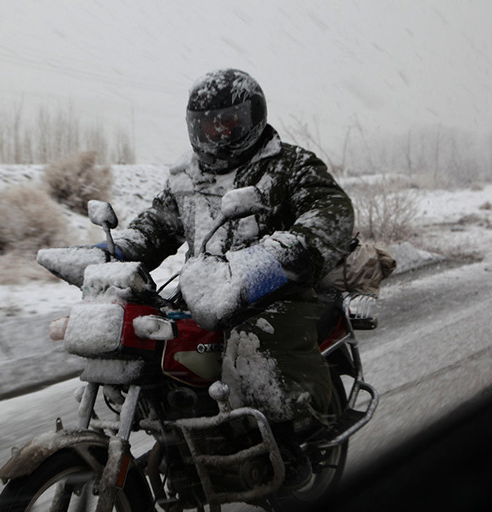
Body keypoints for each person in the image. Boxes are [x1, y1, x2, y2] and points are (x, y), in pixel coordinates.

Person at [106, 69, 355, 482]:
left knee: (253, 340)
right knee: (148, 336)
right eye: (207, 125)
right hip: (205, 290)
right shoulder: (186, 177)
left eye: (229, 123)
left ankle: (288, 448)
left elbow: (331, 211)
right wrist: (114, 250)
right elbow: (156, 225)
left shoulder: (288, 164)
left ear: (252, 117)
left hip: (278, 290)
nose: (218, 135)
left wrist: (278, 255)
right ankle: (183, 435)